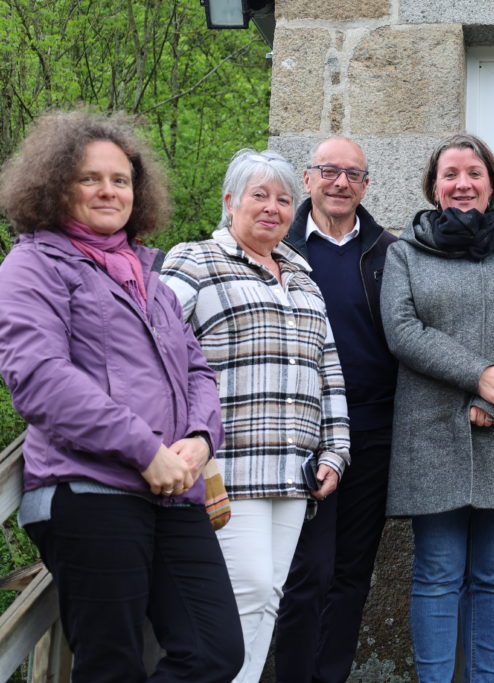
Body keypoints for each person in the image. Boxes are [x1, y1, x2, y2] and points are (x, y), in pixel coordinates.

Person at [0, 110, 242, 682]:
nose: (109, 190)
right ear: (56, 184)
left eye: (121, 179)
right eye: (90, 178)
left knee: (214, 651)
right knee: (111, 665)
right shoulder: (32, 264)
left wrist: (201, 440)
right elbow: (39, 378)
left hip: (173, 494)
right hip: (88, 490)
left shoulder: (147, 276)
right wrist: (145, 450)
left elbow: (197, 370)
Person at [160, 149, 350, 683]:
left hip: (291, 473)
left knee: (269, 597)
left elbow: (328, 372)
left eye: (284, 199)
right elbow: (151, 351)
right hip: (226, 467)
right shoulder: (194, 261)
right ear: (230, 201)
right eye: (259, 195)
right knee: (244, 593)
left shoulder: (304, 278)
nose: (272, 208)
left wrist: (336, 450)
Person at [381, 132, 494, 682]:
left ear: (492, 183)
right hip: (431, 433)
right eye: (451, 174)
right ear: (434, 186)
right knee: (436, 572)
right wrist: (479, 377)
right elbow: (403, 331)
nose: (463, 184)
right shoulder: (404, 253)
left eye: (474, 174)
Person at [275, 136, 398, 683]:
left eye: (352, 174)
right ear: (308, 179)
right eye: (329, 171)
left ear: (367, 185)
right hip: (300, 434)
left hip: (372, 432)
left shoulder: (389, 252)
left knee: (352, 572)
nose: (340, 182)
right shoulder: (279, 246)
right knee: (305, 572)